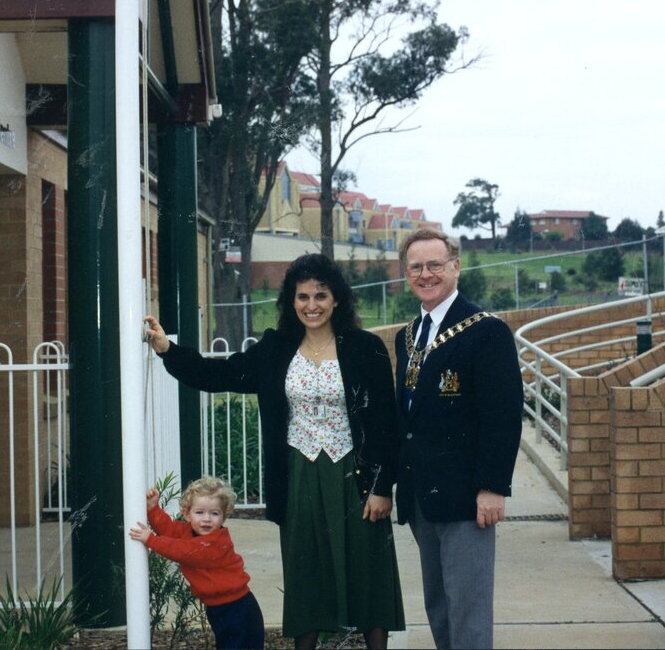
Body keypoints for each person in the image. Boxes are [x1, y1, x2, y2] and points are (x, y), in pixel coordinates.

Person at [143, 253, 404, 650]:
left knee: (366, 565)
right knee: (305, 569)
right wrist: (167, 349)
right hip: (297, 473)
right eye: (302, 297)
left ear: (337, 299)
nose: (311, 305)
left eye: (320, 295)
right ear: (291, 301)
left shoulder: (365, 348)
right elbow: (219, 374)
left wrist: (382, 487)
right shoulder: (277, 348)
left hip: (355, 473)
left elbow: (386, 422)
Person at [393, 228, 523, 649]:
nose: (425, 274)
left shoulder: (487, 332)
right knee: (439, 606)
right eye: (416, 266)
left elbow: (502, 417)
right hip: (421, 496)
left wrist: (492, 487)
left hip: (468, 496)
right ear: (406, 273)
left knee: (468, 610)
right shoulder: (409, 335)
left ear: (455, 267)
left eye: (435, 265)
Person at [129, 476, 265, 650]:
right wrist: (153, 509)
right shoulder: (189, 532)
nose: (206, 519)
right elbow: (169, 530)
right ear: (187, 514)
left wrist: (151, 540)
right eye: (199, 512)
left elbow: (182, 550)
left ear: (223, 517)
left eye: (214, 513)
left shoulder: (216, 543)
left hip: (238, 608)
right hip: (219, 608)